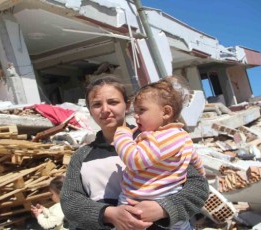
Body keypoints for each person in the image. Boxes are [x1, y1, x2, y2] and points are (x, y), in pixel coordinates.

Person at [60, 75, 209, 230]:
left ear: (127, 104)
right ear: (89, 110)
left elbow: (198, 187)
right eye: (96, 104)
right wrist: (109, 214)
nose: (105, 110)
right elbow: (70, 202)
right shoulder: (82, 156)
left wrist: (164, 208)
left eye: (113, 102)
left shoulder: (158, 142)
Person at [113, 76, 206, 229]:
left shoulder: (161, 138)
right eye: (135, 111)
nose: (136, 116)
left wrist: (122, 135)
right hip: (170, 205)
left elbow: (134, 159)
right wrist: (200, 174)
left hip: (139, 204)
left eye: (142, 110)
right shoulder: (182, 136)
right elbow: (196, 164)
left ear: (166, 112)